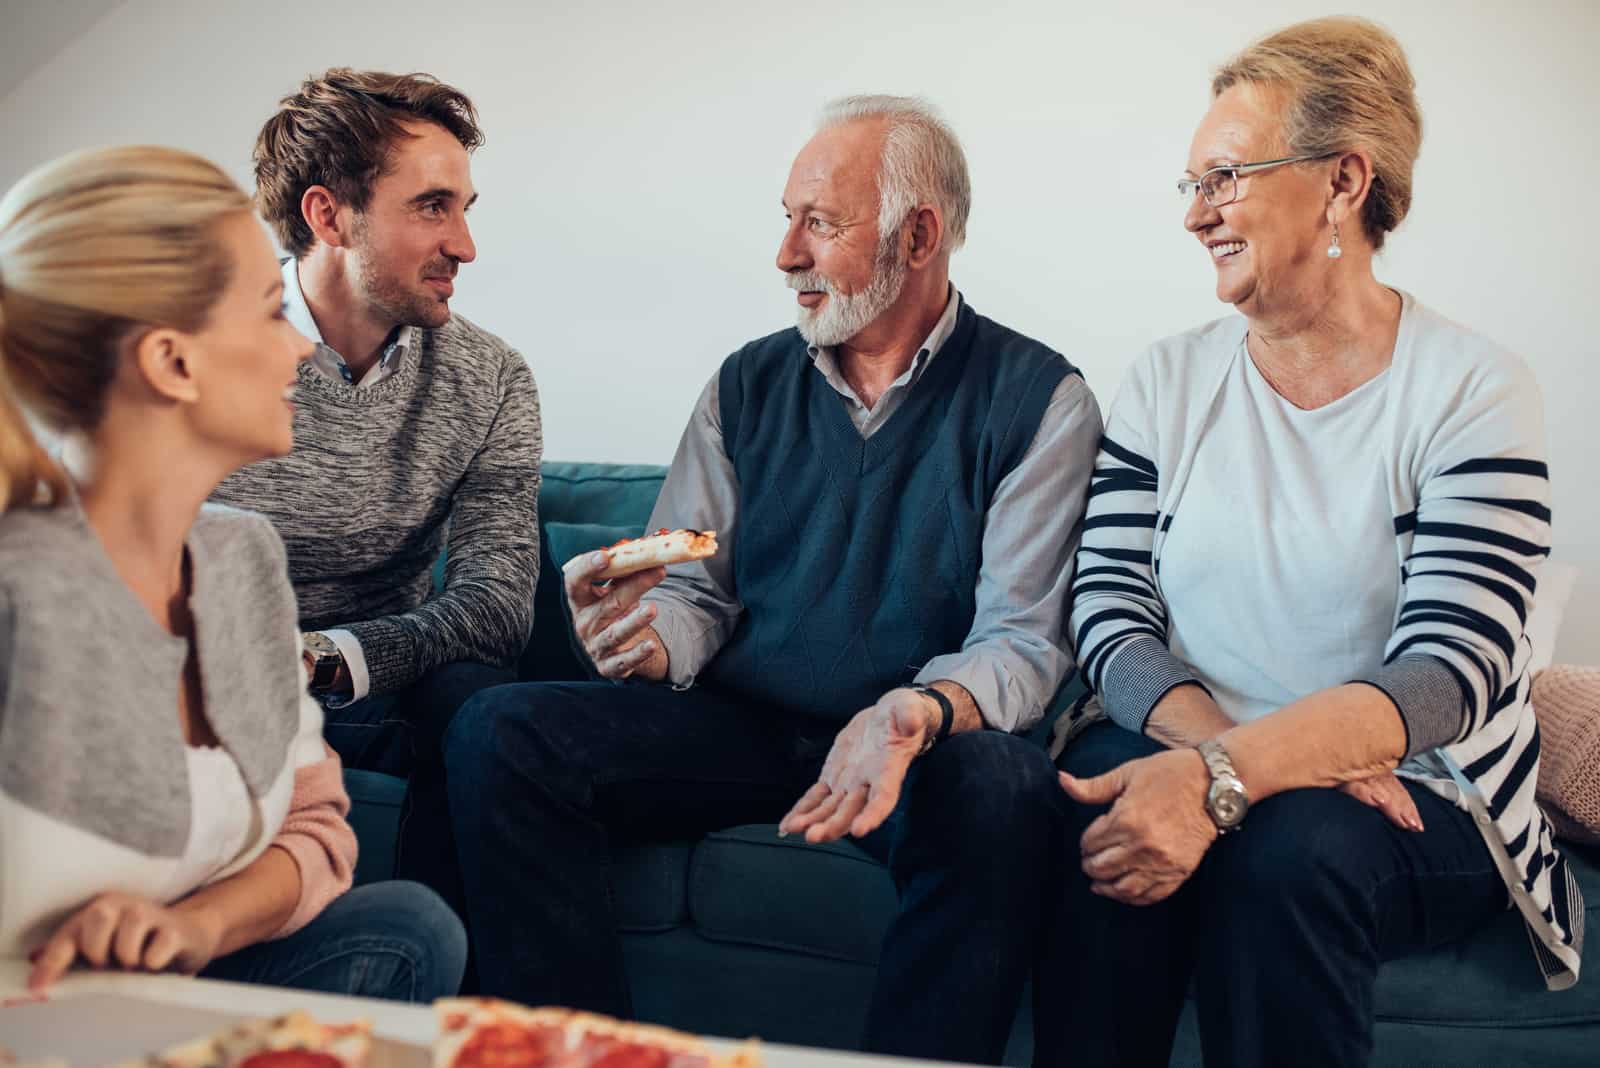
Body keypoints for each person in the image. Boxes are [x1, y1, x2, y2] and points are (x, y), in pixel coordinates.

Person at [444, 95, 1102, 1063]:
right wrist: (647, 635)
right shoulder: (743, 384)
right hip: (745, 724)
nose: (786, 253)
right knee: (499, 730)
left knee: (1002, 786)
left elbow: (1021, 639)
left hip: (909, 741)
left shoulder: (1039, 399)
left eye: (820, 223)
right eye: (787, 218)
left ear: (918, 235)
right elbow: (692, 584)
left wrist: (912, 714)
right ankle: (578, 1054)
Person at [1046, 17, 1579, 1067]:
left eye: (1226, 177)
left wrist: (1245, 778)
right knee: (1100, 819)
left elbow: (1448, 674)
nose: (1196, 214)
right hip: (1193, 737)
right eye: (1189, 185)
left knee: (1281, 854)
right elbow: (1107, 605)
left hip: (1419, 788)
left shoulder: (1474, 389)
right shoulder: (1166, 380)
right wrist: (1223, 765)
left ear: (1341, 182)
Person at [0, 145, 465, 1000]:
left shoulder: (238, 557)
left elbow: (315, 825)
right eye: (266, 311)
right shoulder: (19, 593)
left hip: (166, 979)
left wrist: (191, 927)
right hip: (34, 1015)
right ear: (172, 362)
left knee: (409, 926)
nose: (297, 348)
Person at [209, 69, 542, 918]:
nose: (465, 245)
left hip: (372, 691)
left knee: (485, 707)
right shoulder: (198, 353)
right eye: (432, 207)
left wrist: (330, 658)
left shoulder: (491, 377)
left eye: (466, 208)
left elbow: (498, 606)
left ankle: (458, 1014)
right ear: (328, 215)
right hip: (206, 684)